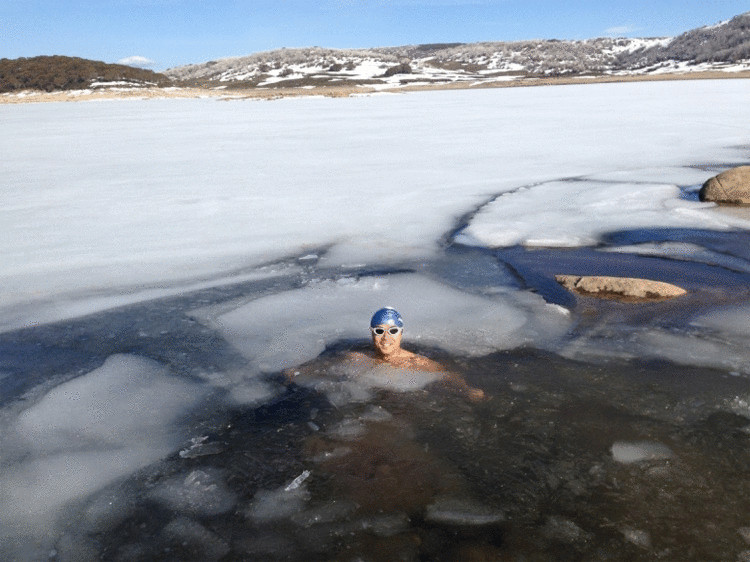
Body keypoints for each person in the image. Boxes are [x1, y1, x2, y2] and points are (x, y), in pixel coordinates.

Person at [285, 307, 485, 402]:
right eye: (379, 331)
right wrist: (297, 371)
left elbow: (447, 375)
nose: (386, 338)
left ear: (401, 333)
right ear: (372, 334)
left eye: (393, 331)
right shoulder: (356, 358)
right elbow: (326, 366)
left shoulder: (417, 363)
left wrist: (467, 390)